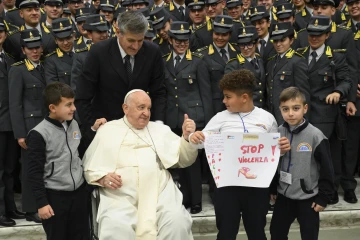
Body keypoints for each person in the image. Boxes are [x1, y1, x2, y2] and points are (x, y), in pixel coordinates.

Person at [83, 89, 198, 240]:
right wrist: (102, 178)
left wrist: (186, 139)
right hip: (120, 196)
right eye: (141, 107)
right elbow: (90, 166)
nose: (146, 113)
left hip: (160, 193)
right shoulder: (108, 130)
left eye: (149, 108)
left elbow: (184, 159)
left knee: (177, 221)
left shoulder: (160, 130)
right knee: (116, 226)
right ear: (125, 108)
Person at [189, 69, 291, 240]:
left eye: (228, 97)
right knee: (226, 233)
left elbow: (272, 153)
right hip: (227, 188)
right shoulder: (219, 118)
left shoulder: (267, 119)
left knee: (257, 232)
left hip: (257, 188)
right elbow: (199, 143)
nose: (224, 101)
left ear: (244, 97)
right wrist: (193, 136)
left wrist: (281, 150)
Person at [75, 10, 166, 152]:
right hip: (106, 131)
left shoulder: (153, 52)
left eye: (140, 40)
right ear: (118, 32)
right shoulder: (98, 52)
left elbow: (159, 92)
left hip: (142, 131)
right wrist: (93, 127)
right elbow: (83, 96)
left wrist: (158, 124)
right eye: (131, 40)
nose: (136, 46)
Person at [26, 82, 97, 240]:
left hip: (78, 194)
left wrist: (93, 130)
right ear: (52, 108)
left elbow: (79, 151)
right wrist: (41, 203)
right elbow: (34, 173)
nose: (74, 108)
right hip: (54, 198)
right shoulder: (38, 134)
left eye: (73, 103)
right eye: (68, 104)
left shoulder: (74, 124)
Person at [299, 15, 352, 204]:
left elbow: (347, 80)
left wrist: (338, 91)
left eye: (319, 34)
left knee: (328, 155)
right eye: (311, 34)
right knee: (305, 154)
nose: (314, 38)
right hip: (302, 114)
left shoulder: (335, 57)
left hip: (326, 114)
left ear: (327, 35)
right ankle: (307, 188)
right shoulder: (299, 54)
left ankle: (329, 191)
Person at [270, 87, 335, 240]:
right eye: (285, 109)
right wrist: (273, 187)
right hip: (283, 197)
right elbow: (271, 163)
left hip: (308, 199)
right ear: (280, 110)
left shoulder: (316, 136)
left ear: (305, 108)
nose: (290, 113)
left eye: (296, 108)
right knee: (276, 233)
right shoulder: (277, 133)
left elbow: (327, 169)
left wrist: (323, 198)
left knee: (309, 235)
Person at [8, 29, 47, 223]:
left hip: (48, 124)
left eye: (37, 47)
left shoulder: (46, 66)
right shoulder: (18, 69)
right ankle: (31, 208)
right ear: (23, 50)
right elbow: (15, 104)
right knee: (30, 167)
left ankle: (45, 203)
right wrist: (20, 134)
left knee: (47, 165)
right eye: (30, 48)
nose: (35, 51)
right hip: (30, 126)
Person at [0, 17, 24, 227]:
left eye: (0, 32)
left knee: (9, 169)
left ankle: (9, 207)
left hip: (8, 121)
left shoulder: (8, 58)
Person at [266, 22, 310, 124]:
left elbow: (303, 93)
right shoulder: (271, 61)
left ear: (291, 40)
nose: (278, 44)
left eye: (282, 40)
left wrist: (303, 121)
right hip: (273, 115)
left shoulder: (297, 61)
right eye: (275, 41)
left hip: (290, 117)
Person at [225, 26, 266, 109]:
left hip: (263, 110)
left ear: (257, 43)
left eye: (249, 44)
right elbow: (230, 93)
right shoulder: (233, 65)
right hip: (245, 110)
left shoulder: (259, 60)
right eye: (242, 45)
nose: (246, 48)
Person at [44, 18, 75, 85]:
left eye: (68, 38)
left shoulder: (83, 53)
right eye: (61, 40)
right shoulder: (51, 61)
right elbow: (54, 88)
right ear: (55, 41)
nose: (65, 43)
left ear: (74, 36)